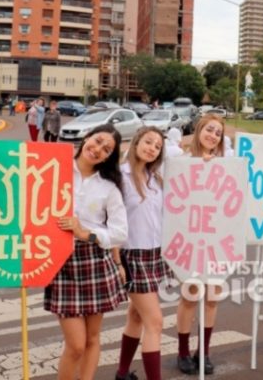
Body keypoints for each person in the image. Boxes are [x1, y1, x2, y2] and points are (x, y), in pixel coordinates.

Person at [44, 124, 128, 380]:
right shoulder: (53, 168)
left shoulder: (109, 187)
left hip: (93, 261)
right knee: (76, 344)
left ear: (108, 157)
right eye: (98, 140)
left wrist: (86, 234)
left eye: (107, 149)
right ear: (88, 136)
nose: (98, 149)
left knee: (92, 338)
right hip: (60, 261)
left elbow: (119, 232)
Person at [115, 127, 170, 380]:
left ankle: (123, 372)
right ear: (136, 142)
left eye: (157, 146)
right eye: (148, 142)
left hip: (154, 254)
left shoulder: (156, 178)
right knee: (155, 321)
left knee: (137, 314)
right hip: (132, 254)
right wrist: (118, 262)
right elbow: (110, 221)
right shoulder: (120, 176)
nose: (151, 148)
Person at [176, 114, 226, 375]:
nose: (213, 135)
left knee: (212, 299)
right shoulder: (181, 162)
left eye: (218, 133)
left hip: (217, 242)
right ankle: (183, 351)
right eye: (209, 130)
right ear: (198, 131)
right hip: (190, 241)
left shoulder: (226, 165)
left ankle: (203, 351)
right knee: (190, 296)